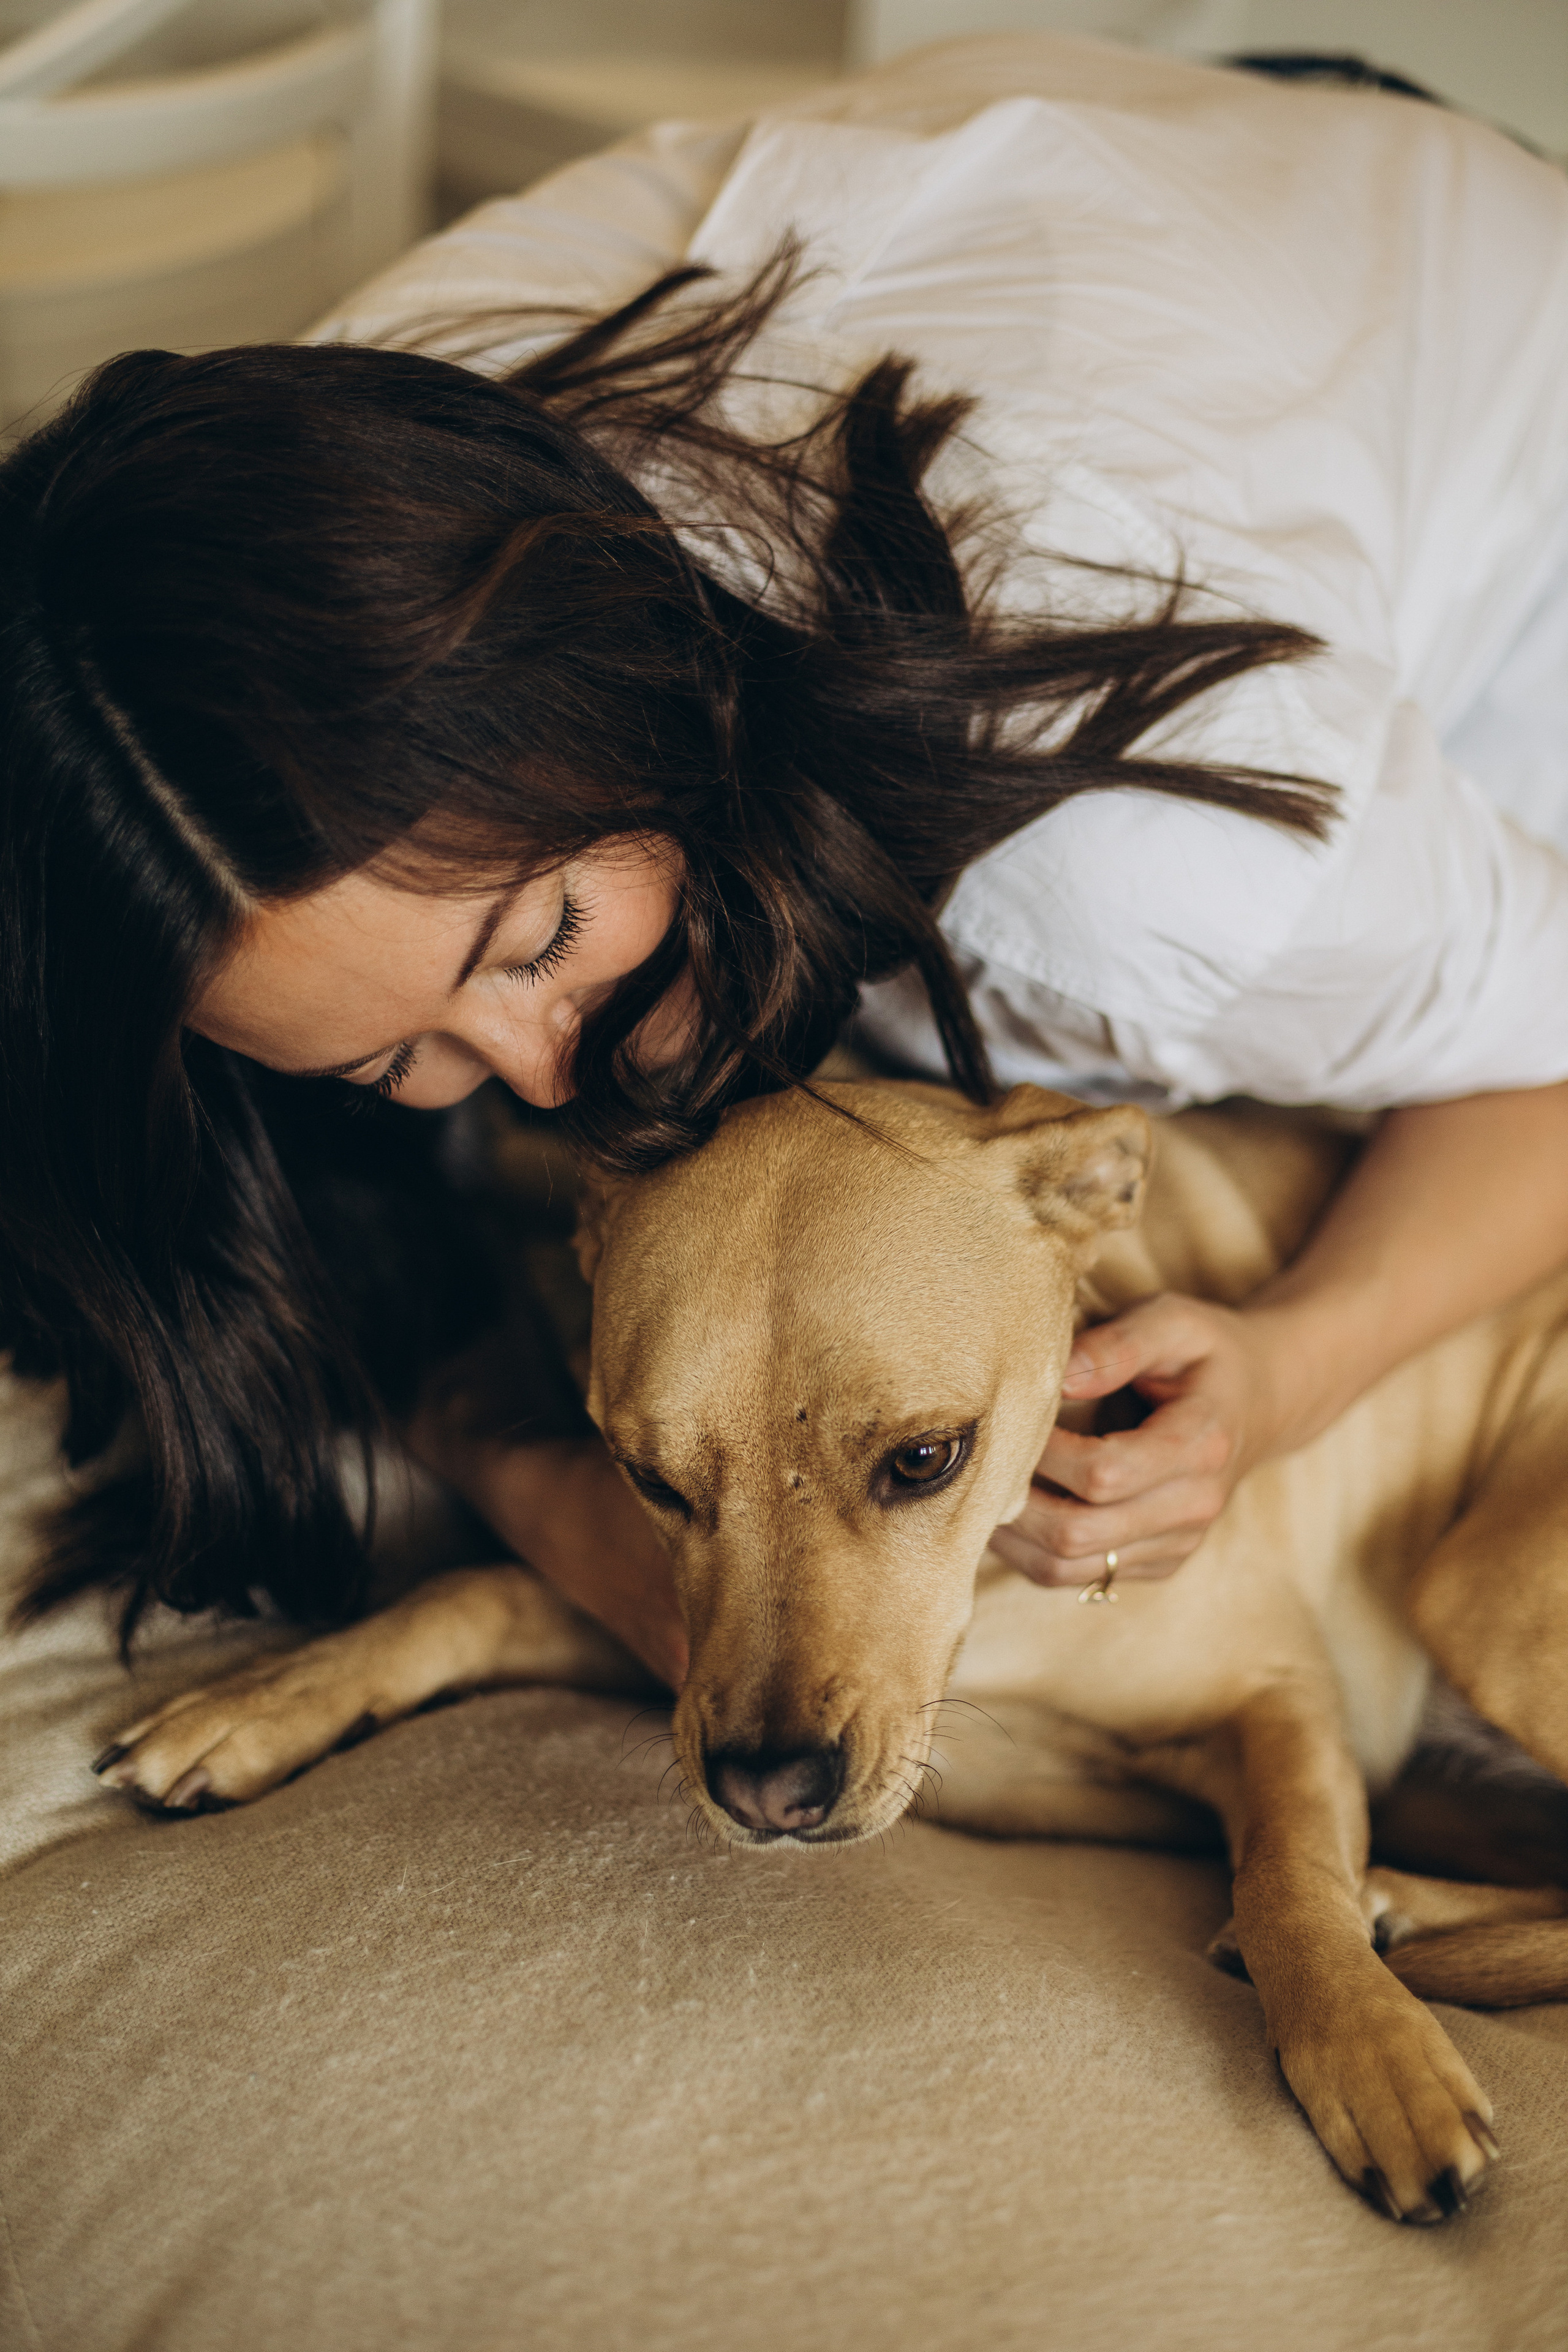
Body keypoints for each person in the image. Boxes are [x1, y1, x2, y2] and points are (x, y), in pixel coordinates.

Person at [4, 35, 1568, 1694]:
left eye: (540, 939)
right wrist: (546, 1488)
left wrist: (1297, 1361)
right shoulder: (212, 567)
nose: (546, 1083)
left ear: (616, 687)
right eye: (399, 1058)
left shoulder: (1120, 882)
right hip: (1196, 193)